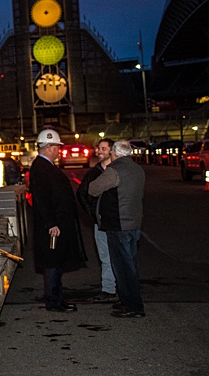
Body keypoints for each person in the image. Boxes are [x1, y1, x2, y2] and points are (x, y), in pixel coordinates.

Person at [26, 128, 86, 312]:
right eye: (57, 147)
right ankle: (53, 300)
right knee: (52, 263)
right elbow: (42, 199)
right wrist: (51, 223)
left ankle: (57, 298)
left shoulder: (45, 167)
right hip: (52, 227)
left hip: (56, 224)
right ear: (49, 147)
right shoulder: (41, 168)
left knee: (57, 262)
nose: (59, 151)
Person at [85, 140, 146, 318]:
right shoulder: (138, 169)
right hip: (133, 223)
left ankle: (133, 306)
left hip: (118, 224)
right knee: (131, 263)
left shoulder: (115, 170)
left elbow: (93, 189)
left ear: (115, 153)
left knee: (122, 266)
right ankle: (128, 301)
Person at [74, 139, 119, 304]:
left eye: (103, 148)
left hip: (118, 221)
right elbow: (81, 192)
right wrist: (92, 212)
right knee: (105, 256)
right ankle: (109, 289)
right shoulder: (94, 172)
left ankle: (123, 288)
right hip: (100, 223)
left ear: (112, 151)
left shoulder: (118, 170)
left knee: (121, 255)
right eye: (98, 148)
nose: (99, 151)